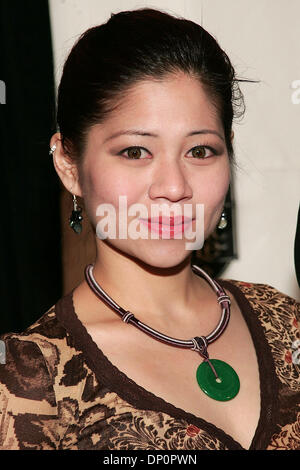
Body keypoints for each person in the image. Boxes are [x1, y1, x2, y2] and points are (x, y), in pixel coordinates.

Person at [0, 7, 299, 451]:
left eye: (200, 150)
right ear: (68, 164)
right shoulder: (28, 377)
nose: (174, 187)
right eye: (136, 152)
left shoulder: (286, 322)